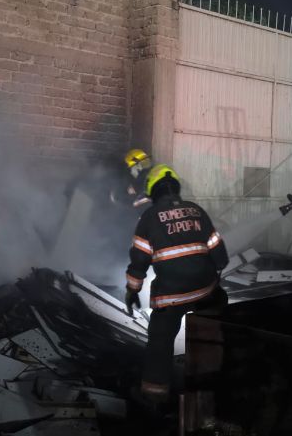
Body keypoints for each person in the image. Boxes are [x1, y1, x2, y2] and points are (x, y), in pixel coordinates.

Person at [124, 164, 228, 404]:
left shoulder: (149, 218)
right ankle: (209, 384)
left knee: (159, 342)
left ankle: (154, 397)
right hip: (205, 290)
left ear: (153, 191)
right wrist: (213, 275)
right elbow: (220, 255)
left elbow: (139, 260)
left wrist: (132, 290)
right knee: (212, 328)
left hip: (170, 296)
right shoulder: (196, 210)